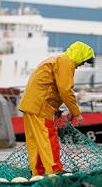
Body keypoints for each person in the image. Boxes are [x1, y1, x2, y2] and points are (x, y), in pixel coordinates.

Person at [18, 41, 95, 176]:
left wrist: (55, 108)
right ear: (80, 55)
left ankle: (38, 172)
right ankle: (54, 170)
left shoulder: (56, 60)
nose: (82, 65)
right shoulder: (66, 62)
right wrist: (76, 113)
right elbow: (65, 90)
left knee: (36, 141)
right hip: (41, 107)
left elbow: (50, 87)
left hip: (31, 105)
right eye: (84, 61)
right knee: (48, 138)